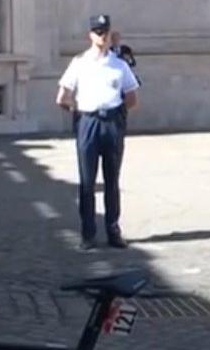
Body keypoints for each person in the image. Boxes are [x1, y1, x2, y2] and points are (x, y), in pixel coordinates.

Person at [55, 14, 139, 251]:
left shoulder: (119, 65)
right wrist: (78, 112)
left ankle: (113, 230)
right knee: (87, 181)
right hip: (88, 122)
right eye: (97, 32)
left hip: (111, 122)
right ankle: (88, 233)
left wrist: (119, 116)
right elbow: (62, 97)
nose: (102, 36)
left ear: (111, 33)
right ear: (90, 35)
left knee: (112, 180)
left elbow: (132, 97)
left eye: (105, 31)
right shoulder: (79, 63)